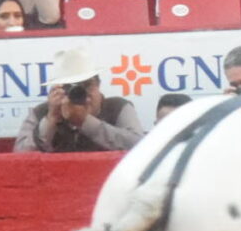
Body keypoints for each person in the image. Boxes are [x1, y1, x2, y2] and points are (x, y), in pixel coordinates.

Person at [14, 48, 147, 153]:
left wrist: (86, 122)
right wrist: (50, 120)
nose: (83, 94)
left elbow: (139, 146)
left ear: (99, 84)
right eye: (72, 87)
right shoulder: (42, 111)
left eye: (88, 84)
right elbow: (21, 155)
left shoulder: (117, 107)